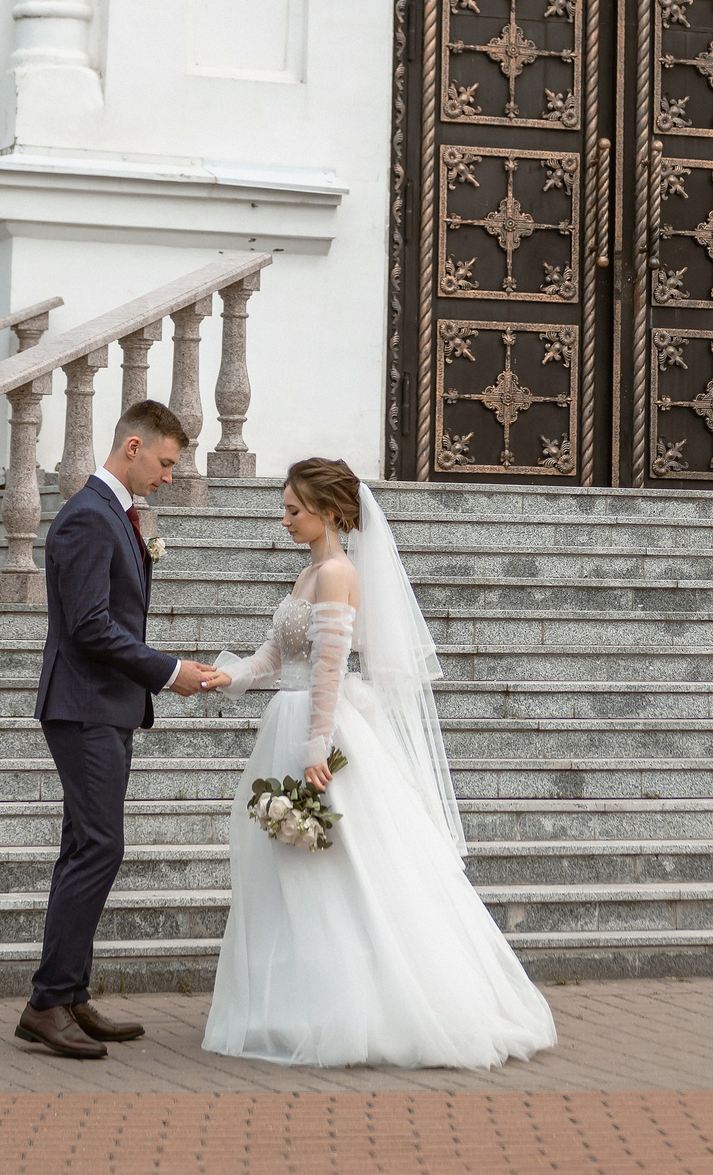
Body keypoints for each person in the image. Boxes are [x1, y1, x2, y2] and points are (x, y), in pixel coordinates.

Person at [201, 457, 557, 1068]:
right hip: (291, 721)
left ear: (328, 513)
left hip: (320, 733)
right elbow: (275, 656)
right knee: (294, 872)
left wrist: (316, 748)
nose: (284, 520)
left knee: (345, 869)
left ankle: (366, 1008)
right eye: (284, 509)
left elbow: (329, 666)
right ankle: (300, 1005)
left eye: (293, 510)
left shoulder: (339, 574)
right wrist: (224, 676)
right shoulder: (309, 573)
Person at [15, 399, 223, 1059]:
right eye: (165, 461)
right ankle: (48, 1002)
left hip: (103, 706)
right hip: (84, 707)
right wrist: (169, 671)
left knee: (85, 846)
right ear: (133, 447)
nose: (169, 475)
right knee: (100, 847)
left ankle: (69, 995)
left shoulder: (115, 513)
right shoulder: (88, 516)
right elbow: (89, 626)